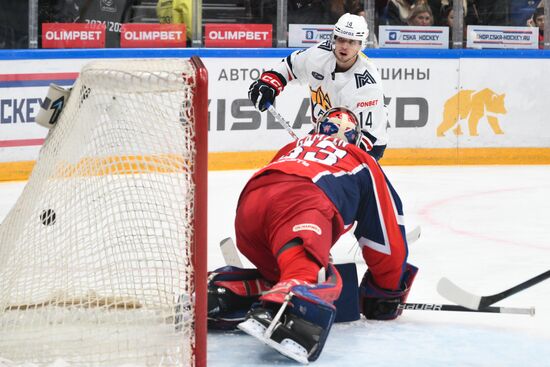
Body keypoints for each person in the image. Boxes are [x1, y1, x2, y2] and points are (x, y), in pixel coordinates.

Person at [207, 107, 418, 363]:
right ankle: (288, 308)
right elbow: (386, 239)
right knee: (317, 276)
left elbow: (276, 187)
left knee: (291, 267)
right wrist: (385, 293)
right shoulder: (362, 160)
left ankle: (227, 289)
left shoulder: (292, 147)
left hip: (249, 211)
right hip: (301, 207)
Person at [248, 13, 389, 161]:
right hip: (326, 130)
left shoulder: (367, 84)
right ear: (333, 38)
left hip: (366, 142)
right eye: (340, 39)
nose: (344, 46)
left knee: (330, 178)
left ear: (361, 44)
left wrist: (329, 156)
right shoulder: (319, 53)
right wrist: (270, 83)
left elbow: (368, 136)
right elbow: (290, 66)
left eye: (352, 42)